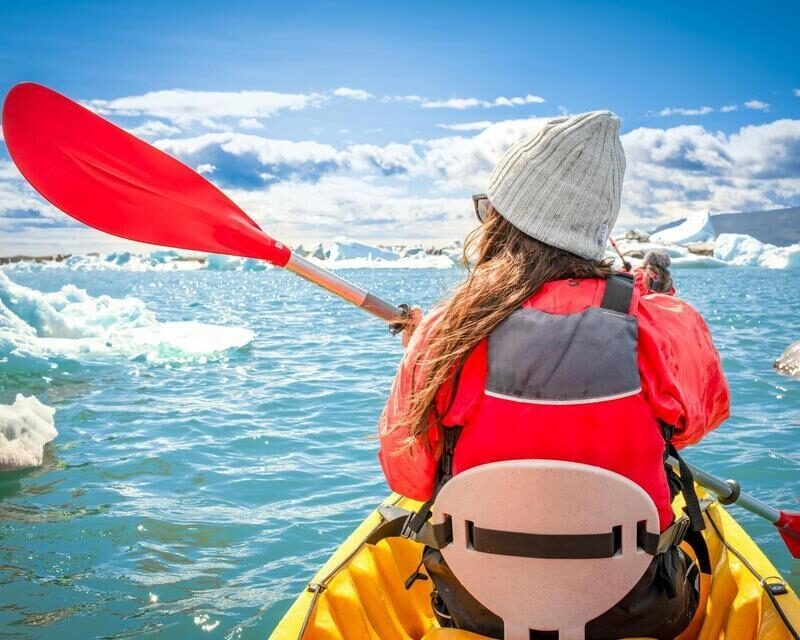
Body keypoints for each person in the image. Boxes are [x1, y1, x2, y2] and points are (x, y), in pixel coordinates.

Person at [377, 111, 730, 639]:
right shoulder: (663, 324)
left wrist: (426, 356)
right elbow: (693, 426)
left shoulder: (448, 331)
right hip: (638, 607)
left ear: (503, 223)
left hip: (478, 607)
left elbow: (410, 475)